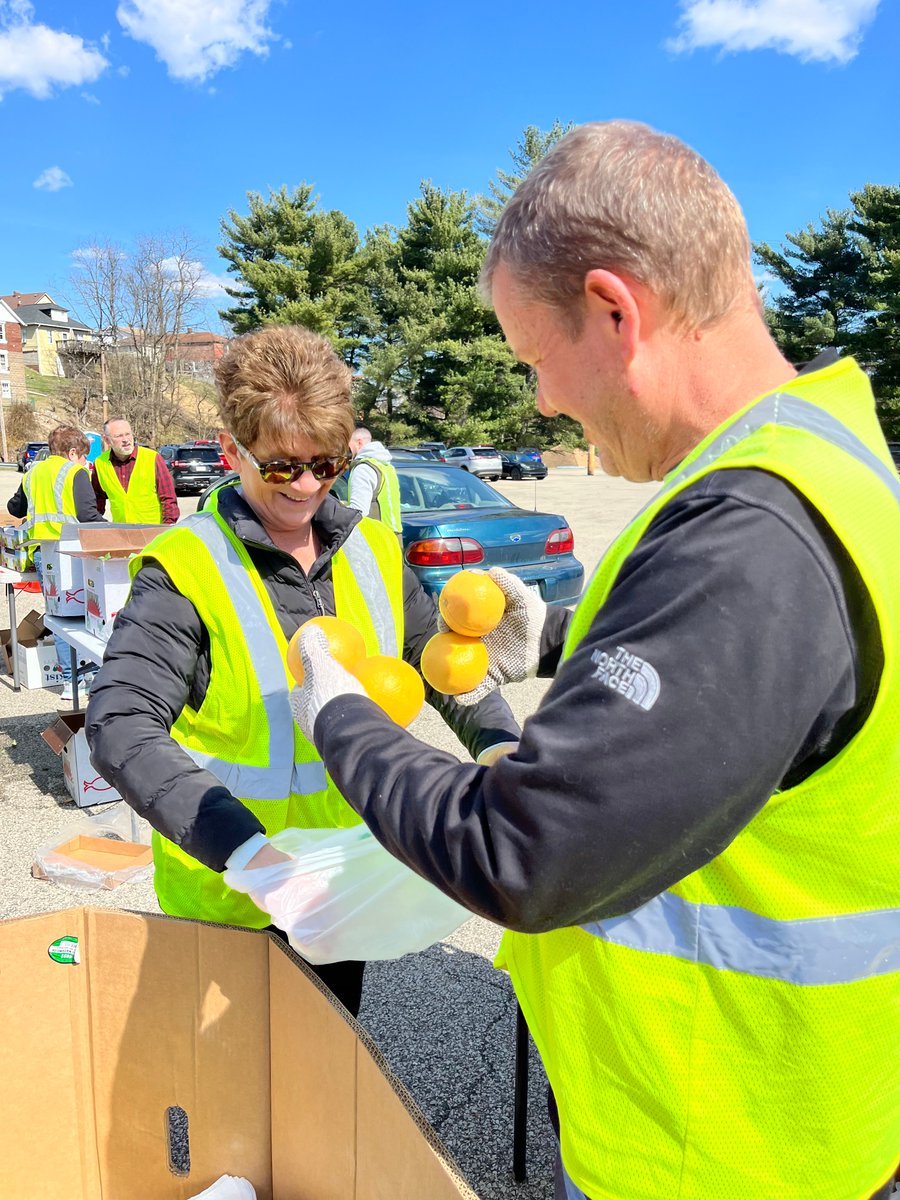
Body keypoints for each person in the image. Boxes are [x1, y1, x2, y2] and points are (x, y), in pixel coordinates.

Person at [285, 122, 900, 1200]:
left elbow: (526, 850)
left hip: (715, 1142)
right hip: (796, 1111)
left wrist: (341, 717)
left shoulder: (750, 529)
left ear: (618, 312)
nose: (542, 404)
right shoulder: (828, 463)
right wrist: (564, 640)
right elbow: (763, 699)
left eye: (535, 360)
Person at [85, 325, 520, 1017]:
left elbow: (435, 663)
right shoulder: (187, 567)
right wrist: (244, 851)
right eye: (282, 466)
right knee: (237, 1094)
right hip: (232, 892)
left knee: (321, 1073)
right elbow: (121, 724)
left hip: (337, 883)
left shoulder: (373, 549)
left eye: (326, 465)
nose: (307, 486)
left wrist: (500, 745)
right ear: (232, 450)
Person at [7, 423, 105, 700]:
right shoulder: (74, 472)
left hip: (43, 553)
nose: (86, 461)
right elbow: (88, 515)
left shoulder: (33, 472)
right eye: (84, 455)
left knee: (59, 616)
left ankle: (69, 682)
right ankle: (88, 677)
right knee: (85, 616)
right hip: (72, 553)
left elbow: (15, 508)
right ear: (73, 452)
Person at [92, 417, 178, 525]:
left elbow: (169, 499)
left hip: (153, 532)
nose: (126, 439)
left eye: (128, 434)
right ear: (107, 440)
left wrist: (166, 529)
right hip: (122, 533)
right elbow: (97, 500)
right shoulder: (100, 463)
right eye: (119, 436)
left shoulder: (152, 458)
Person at [346, 427, 403, 538]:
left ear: (359, 442)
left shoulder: (363, 468)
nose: (348, 450)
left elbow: (358, 512)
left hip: (374, 537)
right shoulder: (385, 466)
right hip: (393, 536)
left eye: (349, 445)